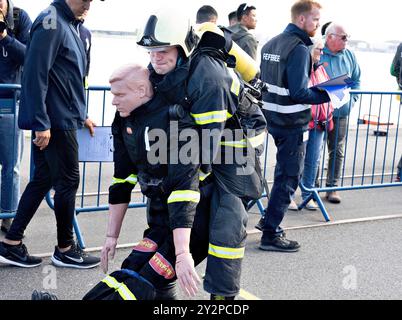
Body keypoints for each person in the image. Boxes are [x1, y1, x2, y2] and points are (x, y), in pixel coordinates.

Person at [137, 10, 266, 300]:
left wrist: (189, 185)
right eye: (151, 51)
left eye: (163, 50)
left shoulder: (208, 75)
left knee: (226, 225)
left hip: (236, 147)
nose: (156, 57)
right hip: (207, 140)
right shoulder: (165, 69)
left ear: (182, 46)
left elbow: (207, 144)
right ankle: (162, 286)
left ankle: (222, 296)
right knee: (168, 213)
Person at [0, 0, 103, 269]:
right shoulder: (51, 20)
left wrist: (81, 114)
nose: (89, 5)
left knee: (43, 179)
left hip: (64, 118)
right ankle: (66, 249)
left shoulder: (68, 23)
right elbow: (35, 73)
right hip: (56, 122)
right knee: (68, 182)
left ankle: (11, 243)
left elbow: (69, 78)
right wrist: (40, 122)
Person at [258, 0, 331, 252]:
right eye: (316, 20)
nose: (317, 25)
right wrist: (328, 94)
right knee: (289, 177)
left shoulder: (269, 44)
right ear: (302, 20)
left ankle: (268, 218)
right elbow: (299, 92)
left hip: (271, 119)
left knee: (281, 175)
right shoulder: (299, 48)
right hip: (291, 123)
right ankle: (271, 233)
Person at [0, 0, 31, 234]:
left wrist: (4, 36)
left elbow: (30, 57)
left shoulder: (20, 19)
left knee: (12, 166)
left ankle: (8, 216)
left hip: (10, 103)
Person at [321, 22, 361, 203]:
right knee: (313, 152)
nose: (347, 41)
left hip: (341, 112)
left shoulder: (349, 54)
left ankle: (332, 188)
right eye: (344, 37)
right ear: (330, 37)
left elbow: (357, 80)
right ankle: (311, 189)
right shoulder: (317, 51)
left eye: (347, 37)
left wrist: (352, 101)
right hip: (319, 112)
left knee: (337, 150)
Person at [298, 38, 334, 210]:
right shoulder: (299, 67)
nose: (322, 52)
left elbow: (330, 92)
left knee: (313, 161)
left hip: (319, 122)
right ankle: (288, 195)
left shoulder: (320, 69)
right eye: (319, 49)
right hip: (303, 122)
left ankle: (308, 196)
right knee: (296, 160)